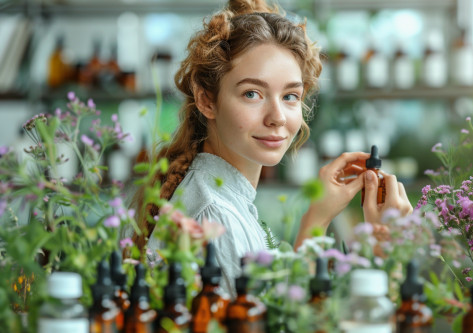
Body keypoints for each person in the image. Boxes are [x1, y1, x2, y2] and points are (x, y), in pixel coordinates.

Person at [131, 0, 413, 298]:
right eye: (252, 93)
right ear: (206, 100)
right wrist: (384, 253)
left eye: (290, 96)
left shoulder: (227, 199)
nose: (277, 117)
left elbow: (275, 315)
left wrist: (317, 219)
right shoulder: (215, 217)